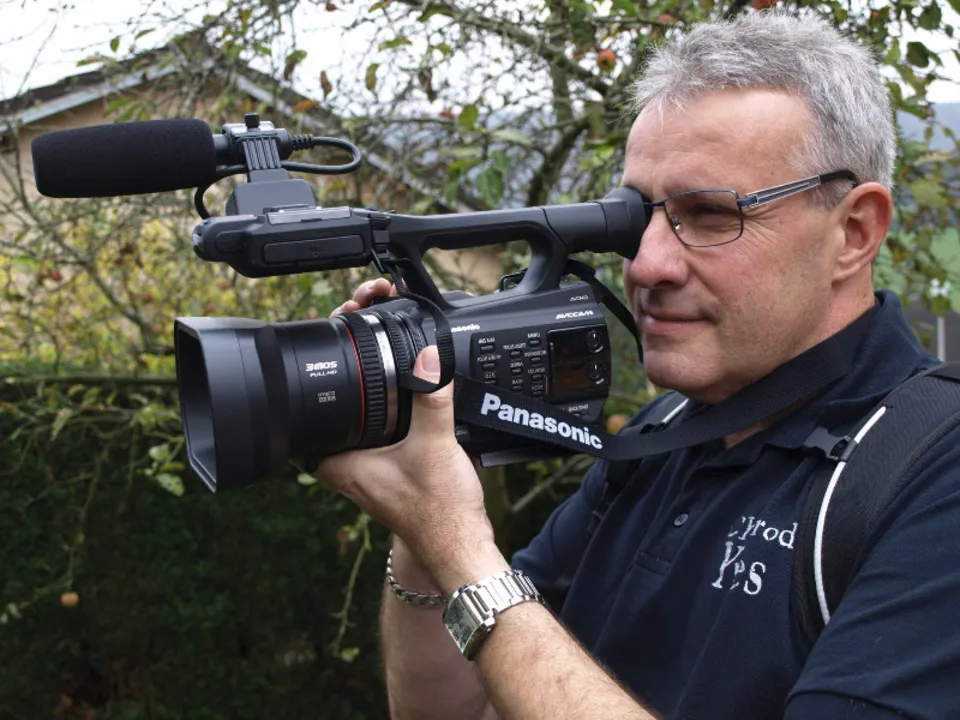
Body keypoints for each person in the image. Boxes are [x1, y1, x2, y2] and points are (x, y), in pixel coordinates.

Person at [318, 10, 960, 720]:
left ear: (855, 232)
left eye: (710, 214)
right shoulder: (662, 438)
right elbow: (455, 711)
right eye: (633, 218)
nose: (646, 264)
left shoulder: (932, 473)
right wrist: (426, 510)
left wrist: (464, 550)